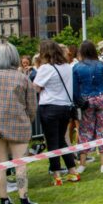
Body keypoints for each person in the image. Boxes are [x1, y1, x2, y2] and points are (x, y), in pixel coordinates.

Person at [0, 43, 39, 204]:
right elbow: (32, 106)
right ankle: (24, 199)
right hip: (18, 125)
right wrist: (28, 120)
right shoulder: (22, 78)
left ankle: (4, 201)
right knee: (20, 164)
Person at [33, 40, 80, 184]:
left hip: (49, 107)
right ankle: (72, 170)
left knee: (52, 142)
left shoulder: (46, 68)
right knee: (61, 140)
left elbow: (36, 87)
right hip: (65, 107)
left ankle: (57, 174)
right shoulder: (66, 67)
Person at [73, 41, 103, 173]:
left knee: (85, 131)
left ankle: (82, 164)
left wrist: (78, 102)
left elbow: (75, 90)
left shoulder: (76, 68)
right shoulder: (102, 65)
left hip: (86, 100)